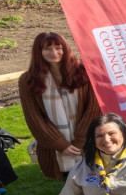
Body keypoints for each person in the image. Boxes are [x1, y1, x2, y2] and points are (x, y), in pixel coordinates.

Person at [18, 32, 102, 181]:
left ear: (65, 48)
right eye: (47, 49)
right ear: (38, 51)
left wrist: (81, 140)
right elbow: (34, 118)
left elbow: (93, 109)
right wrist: (60, 144)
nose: (54, 53)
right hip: (59, 150)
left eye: (58, 47)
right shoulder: (28, 80)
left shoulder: (83, 72)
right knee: (71, 192)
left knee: (100, 187)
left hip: (87, 141)